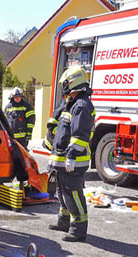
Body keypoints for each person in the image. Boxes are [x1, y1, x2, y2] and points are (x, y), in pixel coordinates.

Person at [48, 66, 94, 242]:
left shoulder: (82, 105)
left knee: (73, 193)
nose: (64, 87)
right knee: (62, 192)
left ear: (73, 83)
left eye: (66, 84)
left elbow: (81, 134)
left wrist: (72, 155)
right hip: (63, 160)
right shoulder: (72, 103)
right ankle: (64, 221)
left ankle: (78, 229)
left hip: (74, 161)